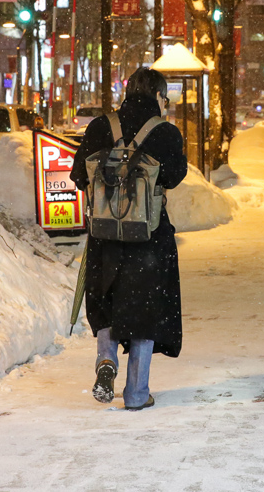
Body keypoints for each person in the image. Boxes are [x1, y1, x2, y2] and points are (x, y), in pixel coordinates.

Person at [70, 67, 188, 411]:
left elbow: (79, 175)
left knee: (106, 300)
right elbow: (174, 176)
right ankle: (136, 392)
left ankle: (106, 360)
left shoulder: (100, 126)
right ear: (157, 97)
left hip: (105, 236)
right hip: (148, 237)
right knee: (145, 310)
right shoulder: (165, 131)